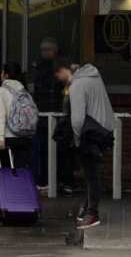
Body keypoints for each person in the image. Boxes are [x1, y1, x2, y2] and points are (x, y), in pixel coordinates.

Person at [56, 61, 116, 229]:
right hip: (103, 131)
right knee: (94, 174)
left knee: (91, 175)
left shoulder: (77, 84)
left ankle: (92, 213)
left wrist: (76, 139)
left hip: (88, 134)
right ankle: (87, 209)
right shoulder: (95, 78)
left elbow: (77, 118)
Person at [31, 39, 72, 193]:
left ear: (55, 50)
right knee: (43, 150)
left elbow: (64, 91)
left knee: (61, 150)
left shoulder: (60, 66)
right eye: (43, 49)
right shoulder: (38, 67)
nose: (45, 52)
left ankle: (62, 180)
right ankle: (45, 180)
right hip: (42, 114)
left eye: (48, 49)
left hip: (58, 113)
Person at [0, 63, 33, 170]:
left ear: (5, 75)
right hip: (25, 138)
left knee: (6, 174)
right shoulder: (24, 90)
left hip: (7, 138)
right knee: (21, 173)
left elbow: (0, 116)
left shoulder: (0, 92)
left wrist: (0, 138)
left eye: (2, 72)